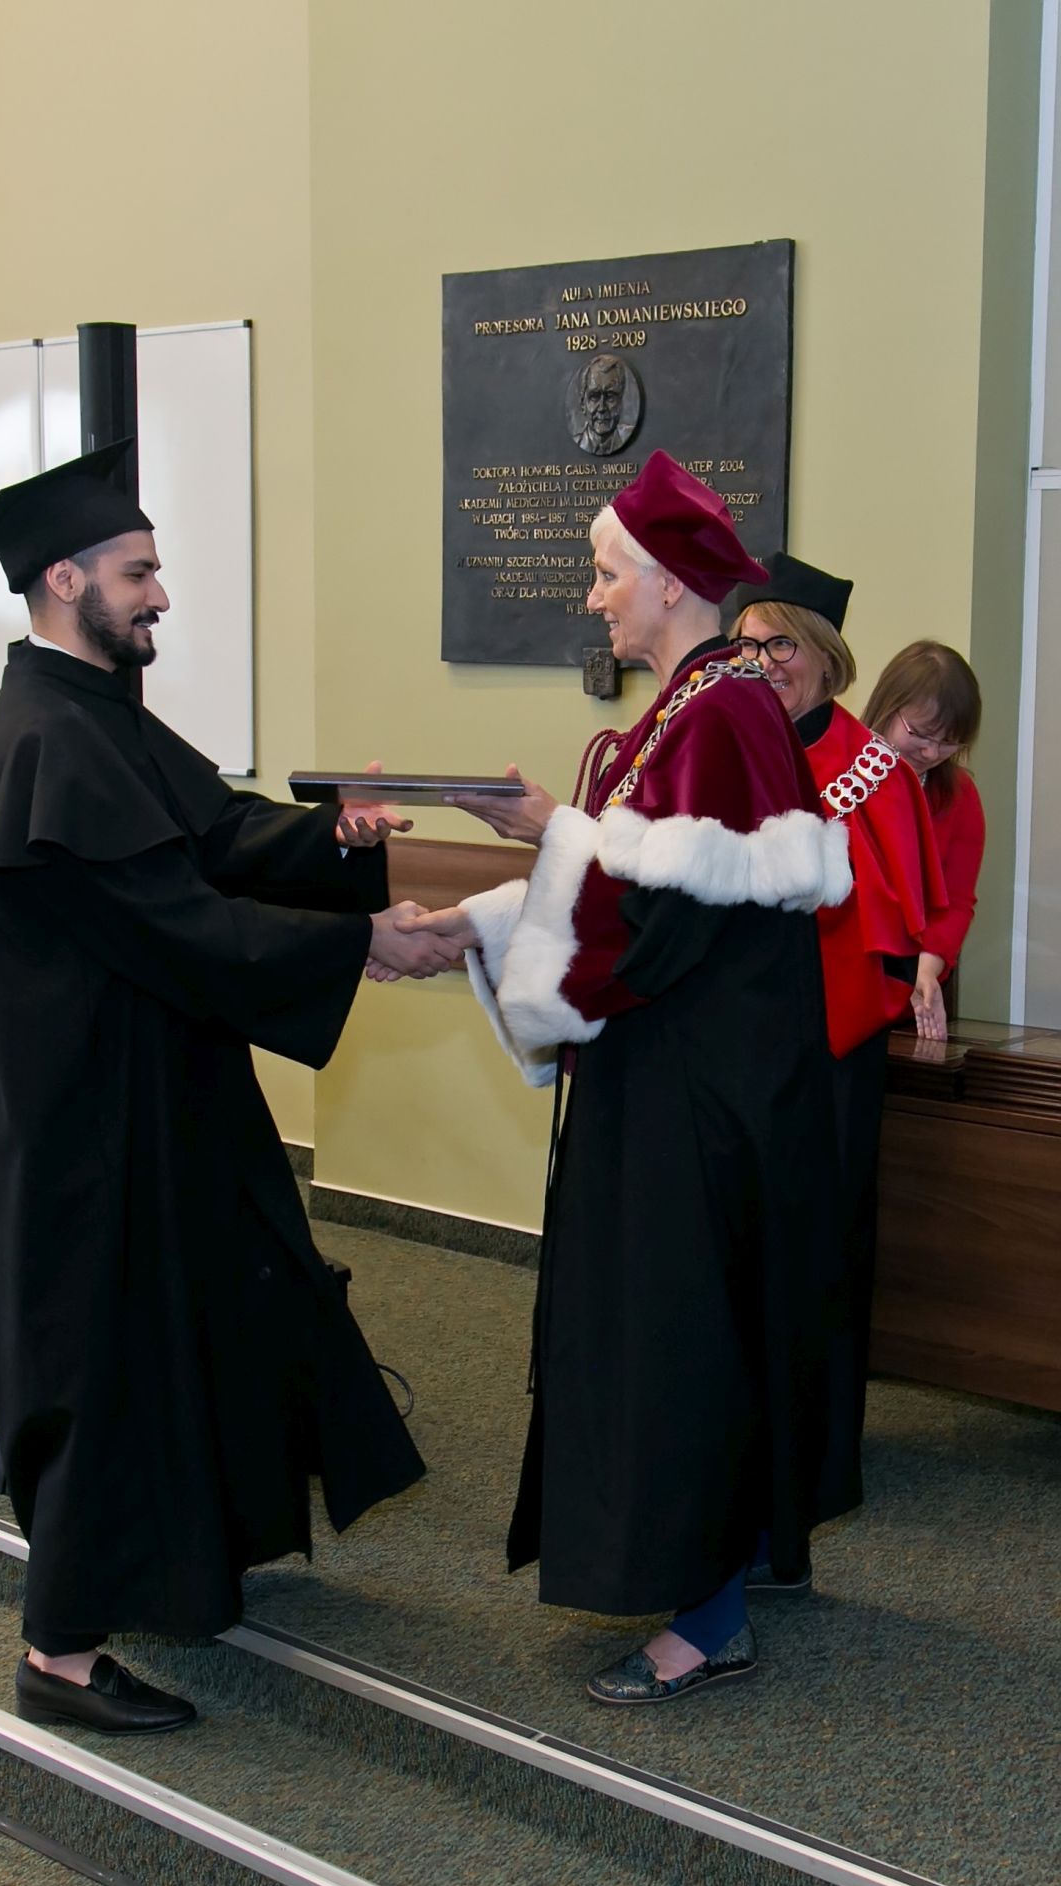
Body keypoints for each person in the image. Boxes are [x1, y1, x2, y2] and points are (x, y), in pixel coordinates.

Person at [0, 442, 448, 1734]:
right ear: (64, 580)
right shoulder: (45, 736)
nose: (160, 594)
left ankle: (197, 1559)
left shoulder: (91, 711)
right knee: (101, 1365)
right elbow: (177, 923)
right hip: (85, 1131)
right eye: (138, 572)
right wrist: (361, 942)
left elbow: (212, 832)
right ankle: (56, 1658)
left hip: (153, 1101)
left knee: (205, 1312)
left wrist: (331, 839)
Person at [414, 452, 855, 1703]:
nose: (594, 595)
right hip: (691, 1078)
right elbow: (631, 887)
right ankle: (742, 1554)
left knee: (678, 1333)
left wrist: (535, 854)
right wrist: (480, 915)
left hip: (693, 1097)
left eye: (607, 573)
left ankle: (706, 1619)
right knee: (709, 1319)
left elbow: (660, 918)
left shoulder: (717, 711)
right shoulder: (694, 707)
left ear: (667, 581)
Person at [731, 558, 947, 1586]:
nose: (763, 663)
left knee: (817, 1261)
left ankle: (812, 1477)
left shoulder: (867, 765)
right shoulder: (730, 744)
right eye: (746, 645)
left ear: (825, 655)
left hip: (825, 1055)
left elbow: (891, 919)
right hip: (740, 1048)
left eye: (781, 644)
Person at [861, 641, 985, 1041]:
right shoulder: (842, 777)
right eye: (921, 733)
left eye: (950, 742)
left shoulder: (959, 796)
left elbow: (956, 901)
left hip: (912, 981)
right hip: (842, 976)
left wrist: (927, 968)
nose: (932, 752)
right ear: (887, 706)